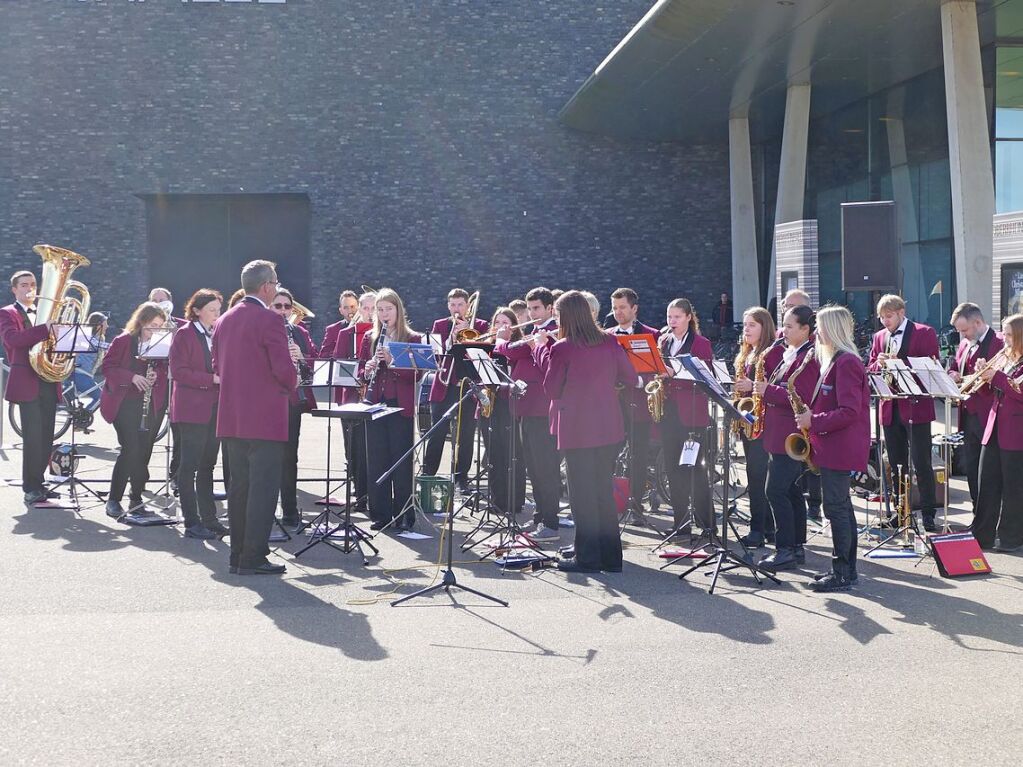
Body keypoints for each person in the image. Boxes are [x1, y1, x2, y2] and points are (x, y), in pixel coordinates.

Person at [534, 290, 635, 573]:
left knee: (582, 494)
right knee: (603, 489)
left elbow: (551, 390)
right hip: (608, 426)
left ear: (566, 316)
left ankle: (587, 557)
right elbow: (629, 378)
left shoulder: (562, 347)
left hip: (577, 428)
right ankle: (611, 557)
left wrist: (542, 350)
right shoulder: (610, 341)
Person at [213, 260, 296, 576]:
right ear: (266, 287)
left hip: (232, 417)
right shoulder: (269, 320)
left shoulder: (224, 320)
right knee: (262, 489)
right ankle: (254, 556)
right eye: (275, 282)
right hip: (263, 419)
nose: (276, 287)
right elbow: (282, 368)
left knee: (240, 488)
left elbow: (217, 365)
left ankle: (237, 555)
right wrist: (293, 381)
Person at [795, 305, 870, 592]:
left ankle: (842, 573)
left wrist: (813, 420)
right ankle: (846, 570)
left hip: (840, 447)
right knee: (841, 509)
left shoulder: (846, 362)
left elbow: (849, 411)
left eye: (821, 327)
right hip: (833, 445)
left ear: (834, 329)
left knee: (835, 509)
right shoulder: (836, 360)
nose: (816, 332)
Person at [868, 294, 939, 531]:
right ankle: (900, 512)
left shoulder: (923, 332)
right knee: (896, 464)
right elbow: (870, 367)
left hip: (916, 406)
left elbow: (932, 365)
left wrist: (899, 362)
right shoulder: (879, 337)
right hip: (890, 407)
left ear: (900, 312)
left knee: (921, 461)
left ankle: (928, 513)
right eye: (882, 317)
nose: (885, 321)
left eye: (889, 316)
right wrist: (879, 364)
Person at [495, 287, 561, 540]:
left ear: (549, 309)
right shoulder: (536, 332)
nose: (532, 313)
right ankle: (540, 516)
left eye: (536, 309)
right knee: (533, 467)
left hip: (542, 409)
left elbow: (512, 350)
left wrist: (502, 339)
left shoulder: (552, 333)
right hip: (526, 407)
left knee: (546, 468)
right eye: (530, 308)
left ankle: (551, 523)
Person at [756, 305, 819, 570]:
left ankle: (785, 549)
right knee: (791, 490)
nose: (784, 331)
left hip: (789, 433)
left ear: (805, 329)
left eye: (790, 326)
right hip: (776, 432)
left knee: (775, 490)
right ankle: (796, 546)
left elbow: (801, 397)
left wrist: (766, 391)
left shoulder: (809, 357)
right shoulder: (787, 353)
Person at [359, 288, 423, 531]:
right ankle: (380, 514)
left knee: (401, 461)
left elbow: (417, 376)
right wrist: (368, 368)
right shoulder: (371, 338)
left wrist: (392, 360)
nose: (384, 314)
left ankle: (404, 514)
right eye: (380, 310)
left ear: (399, 310)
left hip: (400, 407)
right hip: (376, 403)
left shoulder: (412, 339)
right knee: (377, 460)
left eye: (389, 309)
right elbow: (363, 374)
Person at [100, 302, 170, 517]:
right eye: (151, 326)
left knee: (144, 451)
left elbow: (164, 366)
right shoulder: (123, 340)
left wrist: (155, 375)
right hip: (123, 403)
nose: (155, 331)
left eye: (159, 326)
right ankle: (113, 499)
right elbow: (107, 367)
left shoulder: (161, 342)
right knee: (130, 449)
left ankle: (136, 497)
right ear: (140, 323)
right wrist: (132, 376)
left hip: (149, 404)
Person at [0, 270, 59, 505]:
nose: (29, 288)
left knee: (46, 435)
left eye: (33, 284)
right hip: (27, 381)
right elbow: (13, 341)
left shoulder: (46, 314)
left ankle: (40, 482)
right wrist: (45, 328)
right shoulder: (7, 313)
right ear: (14, 289)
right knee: (33, 437)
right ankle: (30, 487)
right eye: (24, 285)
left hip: (48, 379)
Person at [169, 289, 224, 539]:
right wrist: (210, 378)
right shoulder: (184, 334)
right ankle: (192, 522)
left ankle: (210, 519)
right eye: (212, 310)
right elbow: (178, 371)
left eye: (218, 310)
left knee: (207, 466)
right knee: (188, 467)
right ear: (197, 310)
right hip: (192, 409)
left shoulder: (217, 334)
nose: (217, 314)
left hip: (215, 407)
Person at [657, 298, 715, 533]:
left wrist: (674, 372)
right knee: (672, 468)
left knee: (695, 470)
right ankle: (680, 523)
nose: (672, 322)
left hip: (692, 413)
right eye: (669, 317)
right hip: (668, 412)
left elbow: (707, 376)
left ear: (689, 317)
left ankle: (706, 523)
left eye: (677, 317)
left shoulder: (701, 343)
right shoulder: (664, 341)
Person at [423, 288, 489, 492]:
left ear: (468, 306)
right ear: (448, 305)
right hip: (444, 386)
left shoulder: (481, 325)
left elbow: (481, 356)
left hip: (468, 387)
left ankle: (461, 478)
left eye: (460, 304)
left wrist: (468, 333)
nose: (456, 309)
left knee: (466, 435)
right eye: (453, 305)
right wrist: (451, 339)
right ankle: (428, 475)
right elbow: (434, 357)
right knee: (437, 432)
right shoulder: (440, 325)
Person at [607, 287, 661, 521]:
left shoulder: (653, 334)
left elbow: (658, 369)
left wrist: (641, 381)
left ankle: (636, 505)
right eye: (614, 308)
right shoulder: (606, 335)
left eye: (622, 307)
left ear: (634, 309)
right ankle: (609, 502)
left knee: (637, 457)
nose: (618, 312)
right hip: (612, 406)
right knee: (608, 454)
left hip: (639, 405)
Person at [733, 307, 783, 548]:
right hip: (748, 420)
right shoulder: (748, 353)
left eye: (752, 325)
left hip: (764, 423)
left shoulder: (771, 353)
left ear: (765, 327)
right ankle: (768, 527)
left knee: (758, 475)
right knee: (754, 475)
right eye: (745, 325)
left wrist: (751, 384)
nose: (746, 329)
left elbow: (774, 385)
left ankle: (758, 529)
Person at [973, 313, 1023, 552]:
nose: (1006, 339)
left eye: (1010, 335)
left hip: (1016, 431)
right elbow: (992, 393)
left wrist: (997, 378)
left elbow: (1019, 392)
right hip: (993, 428)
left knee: (1014, 488)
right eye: (1005, 334)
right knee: (988, 483)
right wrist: (984, 378)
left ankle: (1011, 537)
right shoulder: (1005, 358)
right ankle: (981, 533)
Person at [948, 302, 1003, 505]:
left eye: (965, 330)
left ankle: (991, 516)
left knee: (989, 468)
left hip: (988, 413)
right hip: (967, 413)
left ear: (978, 322)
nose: (963, 336)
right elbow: (955, 366)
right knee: (971, 465)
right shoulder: (964, 343)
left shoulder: (999, 342)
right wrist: (952, 374)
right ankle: (976, 511)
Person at [272, 288, 317, 532]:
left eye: (286, 307)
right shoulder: (264, 330)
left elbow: (316, 363)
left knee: (290, 457)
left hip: (292, 401)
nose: (282, 311)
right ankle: (267, 512)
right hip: (268, 402)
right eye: (277, 306)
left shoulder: (298, 332)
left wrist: (302, 357)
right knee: (268, 458)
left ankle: (290, 511)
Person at [481, 307, 526, 520]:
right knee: (493, 455)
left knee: (511, 454)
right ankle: (496, 500)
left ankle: (514, 501)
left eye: (505, 323)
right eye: (497, 322)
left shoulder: (518, 347)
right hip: (489, 404)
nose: (500, 327)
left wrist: (502, 345)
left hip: (509, 404)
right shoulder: (486, 348)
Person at [318, 289, 360, 359]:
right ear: (341, 311)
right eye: (346, 308)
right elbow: (323, 356)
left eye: (352, 306)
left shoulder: (368, 327)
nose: (350, 311)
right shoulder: (332, 330)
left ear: (359, 308)